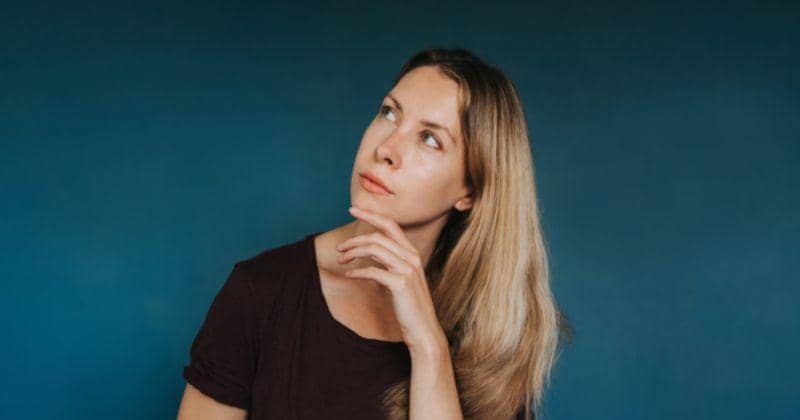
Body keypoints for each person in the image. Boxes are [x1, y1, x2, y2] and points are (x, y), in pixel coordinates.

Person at [176, 47, 571, 420]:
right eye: (389, 113)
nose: (386, 148)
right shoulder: (260, 292)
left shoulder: (493, 334)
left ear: (470, 190)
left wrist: (428, 346)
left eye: (430, 138)